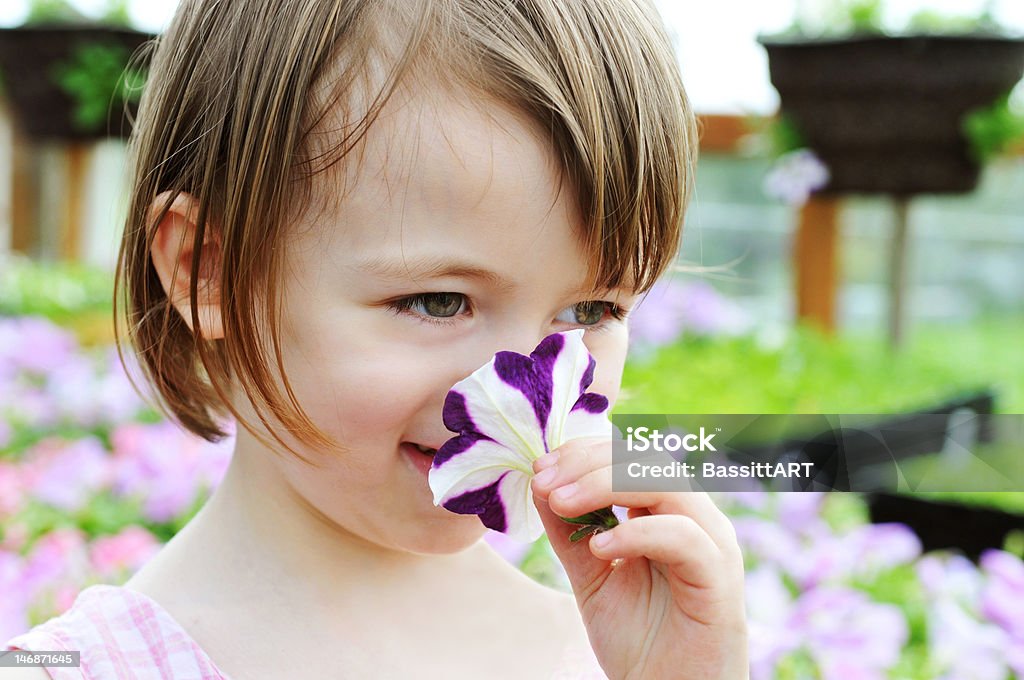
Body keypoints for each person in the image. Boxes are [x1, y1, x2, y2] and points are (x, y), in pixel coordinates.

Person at [4, 0, 748, 677]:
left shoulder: (606, 655)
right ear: (209, 270)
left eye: (590, 311)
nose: (523, 396)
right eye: (437, 300)